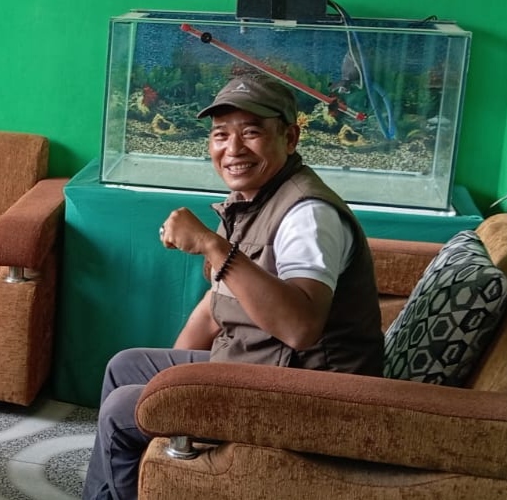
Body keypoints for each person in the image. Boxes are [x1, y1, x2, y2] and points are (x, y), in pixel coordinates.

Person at [82, 74, 383, 500]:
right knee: (126, 367)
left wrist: (212, 245)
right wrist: (176, 386)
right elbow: (216, 301)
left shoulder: (308, 215)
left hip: (312, 393)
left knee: (120, 411)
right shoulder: (255, 199)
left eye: (252, 132)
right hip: (262, 367)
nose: (233, 149)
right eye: (221, 134)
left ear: (290, 138)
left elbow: (301, 328)